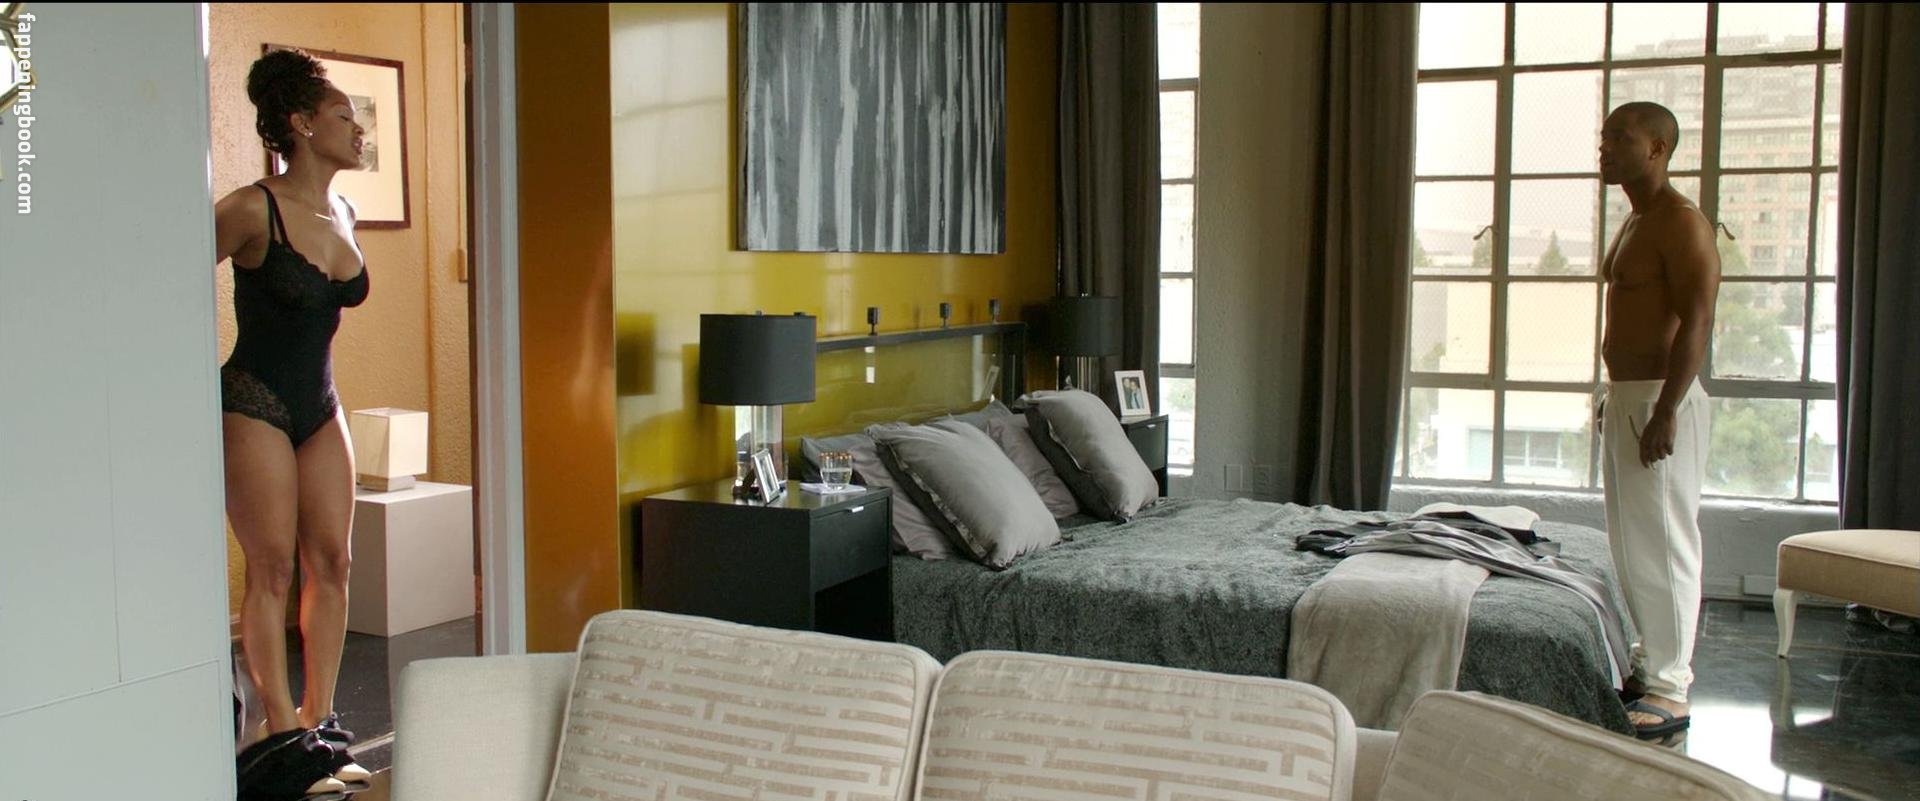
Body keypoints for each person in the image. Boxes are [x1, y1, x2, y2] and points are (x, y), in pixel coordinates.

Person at [215, 48, 373, 792]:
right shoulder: (252, 208)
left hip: (320, 403)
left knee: (333, 564)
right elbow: (163, 279)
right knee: (273, 567)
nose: (359, 129)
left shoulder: (344, 211)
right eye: (345, 115)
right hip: (255, 401)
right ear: (303, 123)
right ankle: (279, 732)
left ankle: (321, 721)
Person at [1596, 101, 1720, 744]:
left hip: (1661, 400)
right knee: (1633, 543)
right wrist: (1611, 396)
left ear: (1657, 149)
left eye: (1620, 137)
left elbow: (1698, 321)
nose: (1605, 148)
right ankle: (1651, 668)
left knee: (1667, 543)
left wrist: (1666, 409)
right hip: (1628, 397)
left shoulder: (1681, 222)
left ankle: (1671, 688)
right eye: (1603, 137)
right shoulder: (1634, 220)